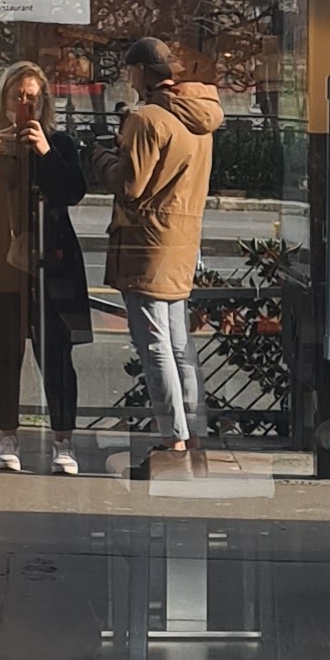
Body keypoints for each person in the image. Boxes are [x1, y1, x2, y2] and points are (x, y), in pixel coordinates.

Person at [0, 63, 95, 473]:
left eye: (32, 98)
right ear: (3, 98)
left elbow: (73, 191)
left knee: (56, 356)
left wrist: (44, 151)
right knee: (3, 353)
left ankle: (63, 442)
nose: (23, 104)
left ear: (44, 103)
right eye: (17, 96)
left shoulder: (58, 142)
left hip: (50, 261)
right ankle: (8, 436)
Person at [104, 33, 223, 464]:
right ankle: (193, 432)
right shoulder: (200, 118)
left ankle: (172, 436)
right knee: (179, 344)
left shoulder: (147, 119)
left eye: (131, 71)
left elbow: (130, 186)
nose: (129, 79)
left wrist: (101, 158)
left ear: (141, 72)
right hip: (182, 241)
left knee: (155, 345)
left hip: (147, 243)